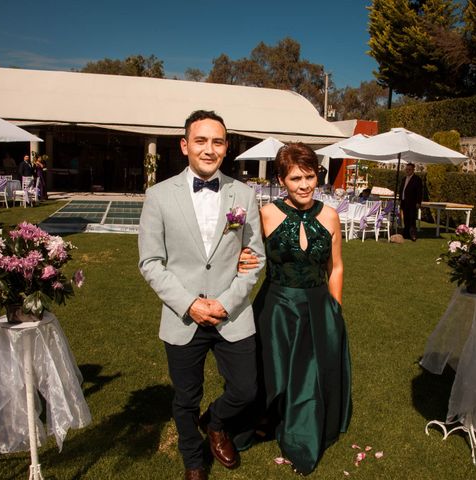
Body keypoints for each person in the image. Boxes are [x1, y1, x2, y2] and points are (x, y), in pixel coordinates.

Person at [138, 110, 265, 480]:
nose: (209, 149)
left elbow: (254, 258)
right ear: (184, 145)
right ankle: (193, 462)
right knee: (185, 399)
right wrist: (190, 304)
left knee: (246, 388)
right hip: (182, 316)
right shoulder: (158, 196)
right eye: (201, 140)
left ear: (226, 148)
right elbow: (150, 261)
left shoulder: (244, 194)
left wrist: (225, 303)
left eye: (218, 141)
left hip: (233, 313)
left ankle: (217, 424)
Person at [238, 143, 352, 474]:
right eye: (295, 178)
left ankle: (303, 434)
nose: (303, 185)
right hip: (276, 309)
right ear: (281, 180)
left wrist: (335, 309)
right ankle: (268, 418)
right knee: (274, 374)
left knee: (309, 376)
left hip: (318, 307)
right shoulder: (266, 214)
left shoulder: (330, 216)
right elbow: (246, 255)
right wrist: (241, 258)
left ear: (318, 176)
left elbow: (337, 266)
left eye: (310, 176)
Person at [399, 162, 423, 241]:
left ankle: (413, 235)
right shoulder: (404, 179)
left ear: (413, 170)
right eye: (407, 169)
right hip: (404, 201)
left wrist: (418, 202)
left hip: (412, 202)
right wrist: (400, 199)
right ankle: (406, 234)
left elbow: (419, 192)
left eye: (409, 169)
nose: (407, 171)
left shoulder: (417, 179)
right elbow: (401, 190)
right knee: (406, 219)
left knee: (412, 219)